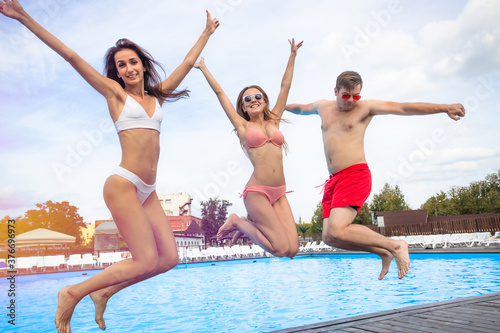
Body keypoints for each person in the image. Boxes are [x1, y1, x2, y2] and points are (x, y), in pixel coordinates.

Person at [0, 1, 219, 332]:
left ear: (143, 66)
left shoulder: (157, 97)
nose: (129, 68)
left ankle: (105, 292)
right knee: (146, 259)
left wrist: (206, 33)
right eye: (121, 65)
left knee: (169, 259)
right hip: (124, 184)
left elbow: (188, 63)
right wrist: (23, 16)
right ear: (116, 72)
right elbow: (71, 56)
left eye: (133, 62)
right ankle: (71, 292)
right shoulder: (116, 95)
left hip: (148, 190)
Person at [285, 71, 465, 279]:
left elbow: (404, 107)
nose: (351, 101)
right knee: (329, 237)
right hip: (333, 181)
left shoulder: (365, 108)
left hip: (355, 174)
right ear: (336, 91)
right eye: (345, 95)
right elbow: (299, 108)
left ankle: (396, 245)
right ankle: (382, 252)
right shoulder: (323, 107)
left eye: (356, 96)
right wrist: (276, 109)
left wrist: (445, 108)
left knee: (339, 229)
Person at [193, 38, 303, 258]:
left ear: (264, 100)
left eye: (257, 96)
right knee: (280, 249)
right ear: (243, 106)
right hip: (257, 192)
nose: (253, 100)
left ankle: (244, 226)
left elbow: (285, 86)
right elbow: (220, 94)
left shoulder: (275, 120)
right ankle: (238, 222)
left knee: (292, 250)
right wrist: (204, 68)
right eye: (248, 99)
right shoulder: (243, 126)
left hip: (279, 191)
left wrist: (292, 55)